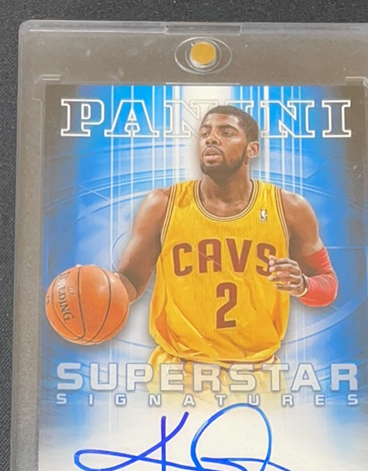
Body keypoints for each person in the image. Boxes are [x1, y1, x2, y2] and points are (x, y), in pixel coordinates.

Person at [113, 106, 338, 397]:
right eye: (205, 133)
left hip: (257, 375)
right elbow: (130, 281)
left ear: (251, 149)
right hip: (179, 373)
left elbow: (328, 284)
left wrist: (303, 285)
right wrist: (98, 294)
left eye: (226, 132)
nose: (211, 138)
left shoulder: (289, 208)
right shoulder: (163, 204)